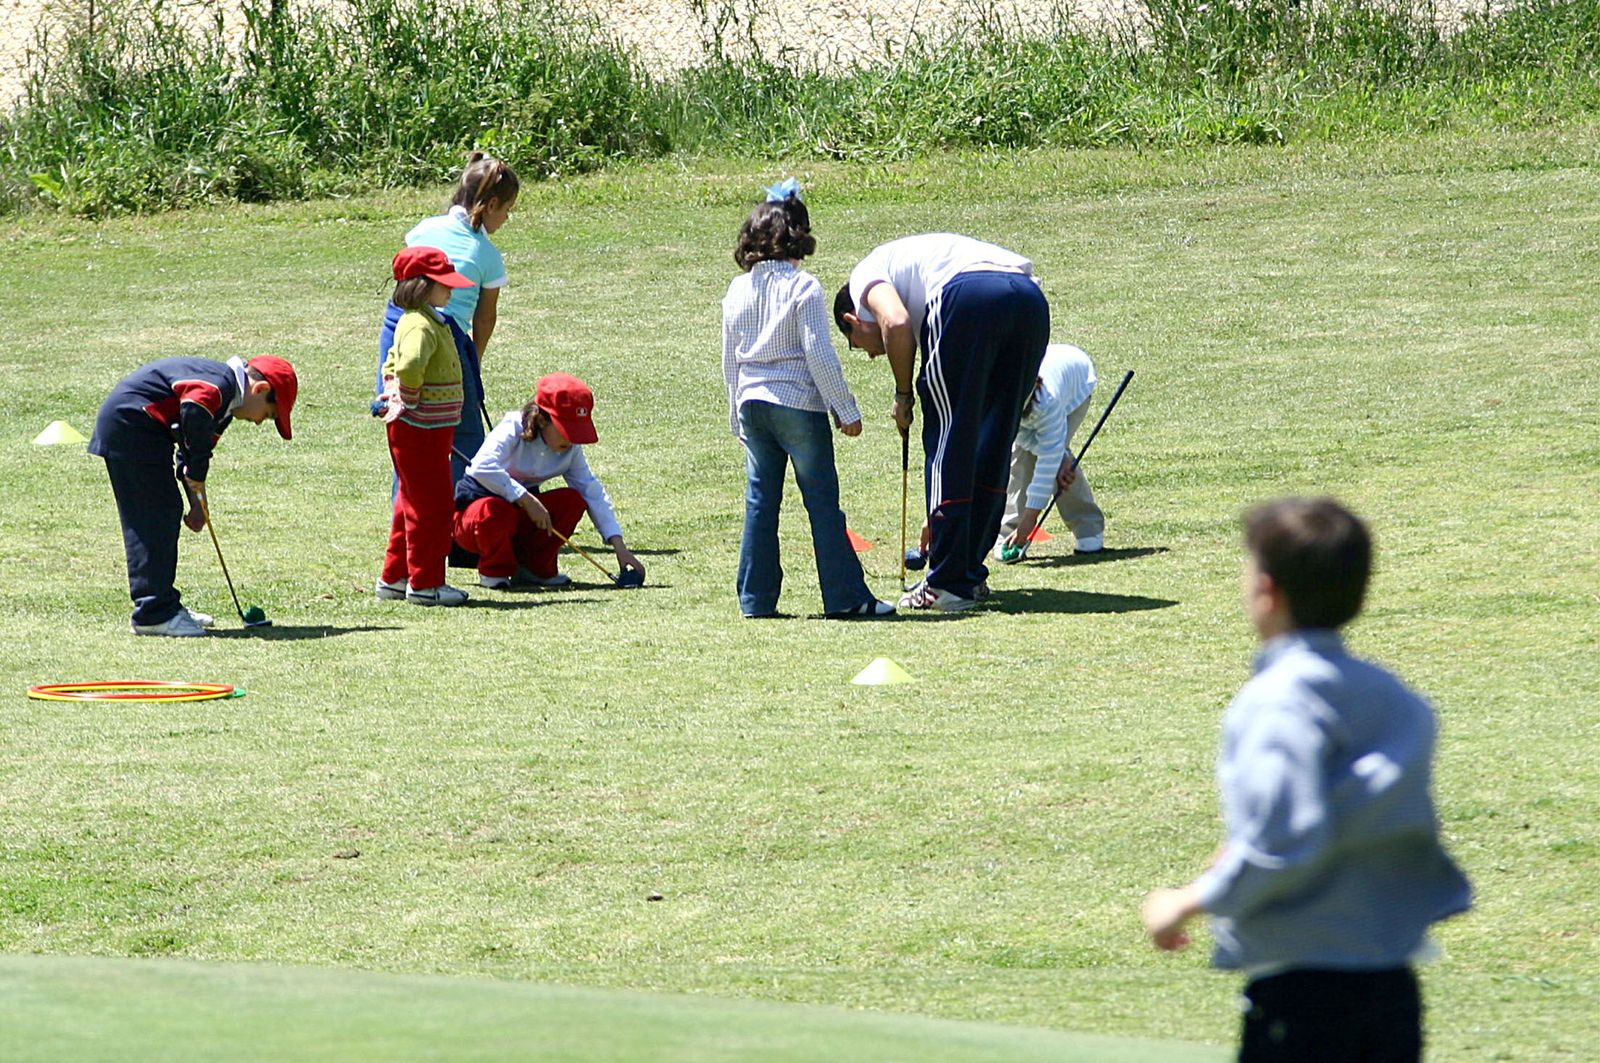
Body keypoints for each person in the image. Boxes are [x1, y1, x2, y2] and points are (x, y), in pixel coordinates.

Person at [1141, 497, 1472, 1063]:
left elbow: (1287, 842)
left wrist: (1189, 901)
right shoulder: (1395, 698)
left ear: (1267, 592)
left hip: (1303, 993)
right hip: (1392, 982)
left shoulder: (1277, 702)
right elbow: (1349, 812)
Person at [834, 233, 1048, 612]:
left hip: (967, 298)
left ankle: (947, 582)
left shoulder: (864, 275)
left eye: (856, 344)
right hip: (1029, 298)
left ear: (853, 320)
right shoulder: (915, 262)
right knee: (993, 438)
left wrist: (903, 394)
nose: (868, 355)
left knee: (949, 436)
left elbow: (897, 324)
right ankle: (967, 573)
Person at [724, 180, 893, 619]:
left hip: (752, 403)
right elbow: (819, 354)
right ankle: (846, 598)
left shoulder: (736, 290)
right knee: (821, 502)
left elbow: (729, 358)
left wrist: (734, 413)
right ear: (796, 237)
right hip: (797, 402)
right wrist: (845, 409)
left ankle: (755, 600)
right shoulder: (804, 287)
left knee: (761, 503)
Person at [89, 353, 298, 636]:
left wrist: (197, 503)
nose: (261, 422)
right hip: (130, 427)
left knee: (165, 510)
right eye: (269, 414)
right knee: (155, 515)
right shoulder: (218, 386)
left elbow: (190, 453)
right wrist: (196, 470)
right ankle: (154, 613)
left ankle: (166, 606)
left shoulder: (224, 409)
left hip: (144, 433)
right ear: (259, 390)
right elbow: (193, 411)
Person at [376, 152, 519, 486]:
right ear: (491, 204)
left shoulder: (423, 230)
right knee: (465, 432)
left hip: (398, 324)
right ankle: (459, 514)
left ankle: (406, 515)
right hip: (445, 336)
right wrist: (474, 363)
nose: (507, 219)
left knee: (401, 418)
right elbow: (485, 319)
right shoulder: (488, 256)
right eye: (507, 210)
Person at [453, 373, 643, 589]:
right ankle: (495, 572)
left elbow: (591, 491)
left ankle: (535, 569)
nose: (572, 439)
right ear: (542, 419)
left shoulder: (571, 448)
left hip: (517, 519)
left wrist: (619, 546)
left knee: (572, 500)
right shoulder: (512, 427)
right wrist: (526, 499)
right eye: (565, 430)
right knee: (495, 511)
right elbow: (481, 467)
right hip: (474, 519)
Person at [376, 246, 475, 606]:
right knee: (432, 506)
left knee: (410, 500)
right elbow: (409, 364)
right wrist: (409, 396)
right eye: (444, 284)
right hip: (421, 429)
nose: (452, 290)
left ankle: (396, 576)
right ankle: (426, 583)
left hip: (428, 430)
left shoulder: (424, 320)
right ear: (421, 286)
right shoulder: (420, 324)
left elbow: (394, 360)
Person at [994, 341, 1104, 560]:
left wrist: (1031, 519)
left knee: (1053, 464)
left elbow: (1047, 459)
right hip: (1049, 381)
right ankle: (1007, 532)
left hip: (1077, 385)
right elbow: (1012, 435)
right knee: (1022, 459)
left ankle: (1089, 528)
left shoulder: (1048, 402)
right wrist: (1059, 456)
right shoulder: (997, 394)